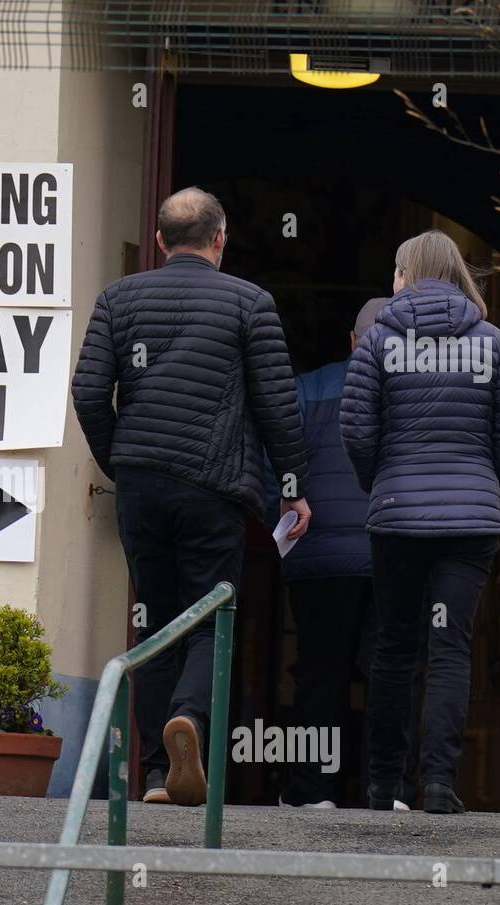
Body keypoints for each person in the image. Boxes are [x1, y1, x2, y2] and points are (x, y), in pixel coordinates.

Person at [71, 187, 311, 807]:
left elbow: (90, 391)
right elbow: (277, 405)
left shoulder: (117, 298)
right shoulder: (249, 303)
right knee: (208, 618)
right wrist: (292, 487)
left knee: (152, 619)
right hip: (214, 487)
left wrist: (121, 460)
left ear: (159, 241)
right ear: (220, 238)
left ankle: (154, 774)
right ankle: (190, 723)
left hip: (143, 486)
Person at [341, 230, 500, 814]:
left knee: (395, 648)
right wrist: (484, 483)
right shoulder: (492, 341)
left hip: (398, 520)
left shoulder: (377, 340)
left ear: (405, 275)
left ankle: (382, 785)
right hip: (470, 524)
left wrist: (381, 481)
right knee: (450, 649)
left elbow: (355, 428)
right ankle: (440, 785)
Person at [276, 298, 393, 810]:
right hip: (391, 553)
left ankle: (312, 791)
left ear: (352, 340)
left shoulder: (307, 389)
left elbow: (275, 461)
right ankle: (384, 790)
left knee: (319, 673)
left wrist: (278, 525)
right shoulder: (412, 394)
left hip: (318, 554)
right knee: (387, 667)